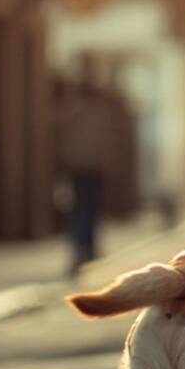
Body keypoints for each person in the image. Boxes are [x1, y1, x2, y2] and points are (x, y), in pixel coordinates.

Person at [58, 57, 111, 277]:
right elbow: (106, 141)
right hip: (91, 166)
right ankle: (85, 249)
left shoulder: (72, 109)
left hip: (78, 166)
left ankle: (83, 249)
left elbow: (63, 139)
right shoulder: (98, 110)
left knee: (81, 209)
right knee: (88, 209)